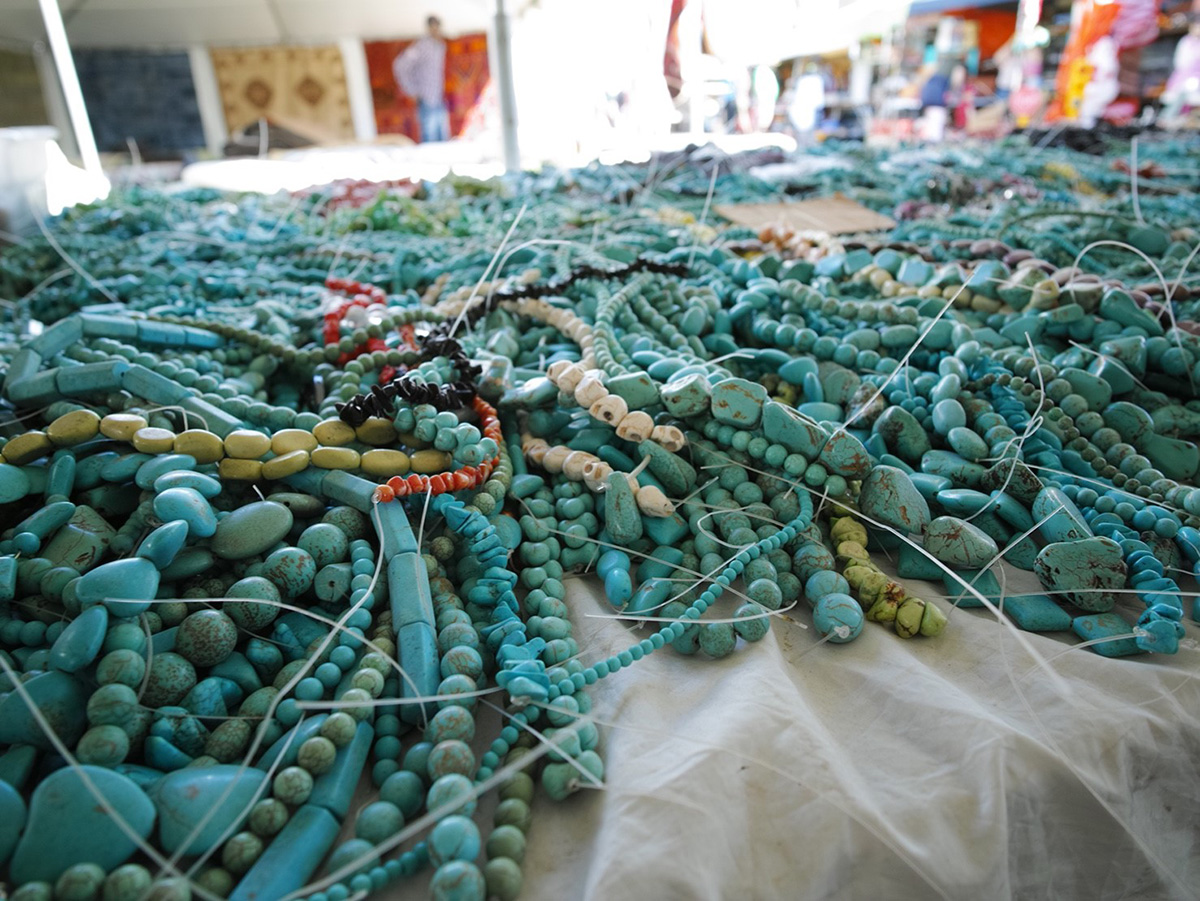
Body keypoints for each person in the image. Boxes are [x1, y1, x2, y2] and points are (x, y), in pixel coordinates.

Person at [394, 15, 449, 143]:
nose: (436, 30)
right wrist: (411, 90)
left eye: (437, 27)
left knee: (443, 142)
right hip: (426, 99)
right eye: (433, 27)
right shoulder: (422, 46)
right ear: (428, 28)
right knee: (429, 143)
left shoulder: (440, 46)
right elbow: (400, 65)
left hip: (438, 98)